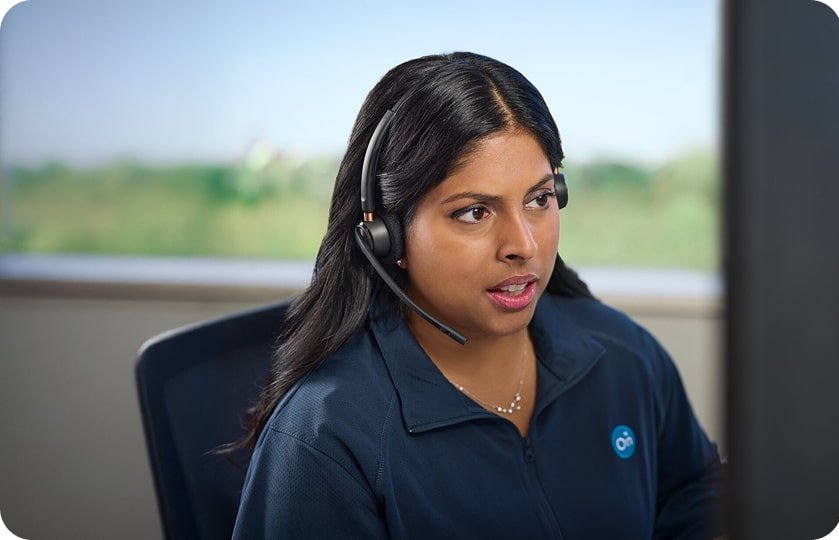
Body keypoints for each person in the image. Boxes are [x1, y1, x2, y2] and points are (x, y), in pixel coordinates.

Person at [232, 51, 724, 539]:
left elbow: (696, 500)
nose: (523, 246)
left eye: (539, 200)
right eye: (474, 213)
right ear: (387, 235)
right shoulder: (324, 438)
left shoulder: (623, 356)